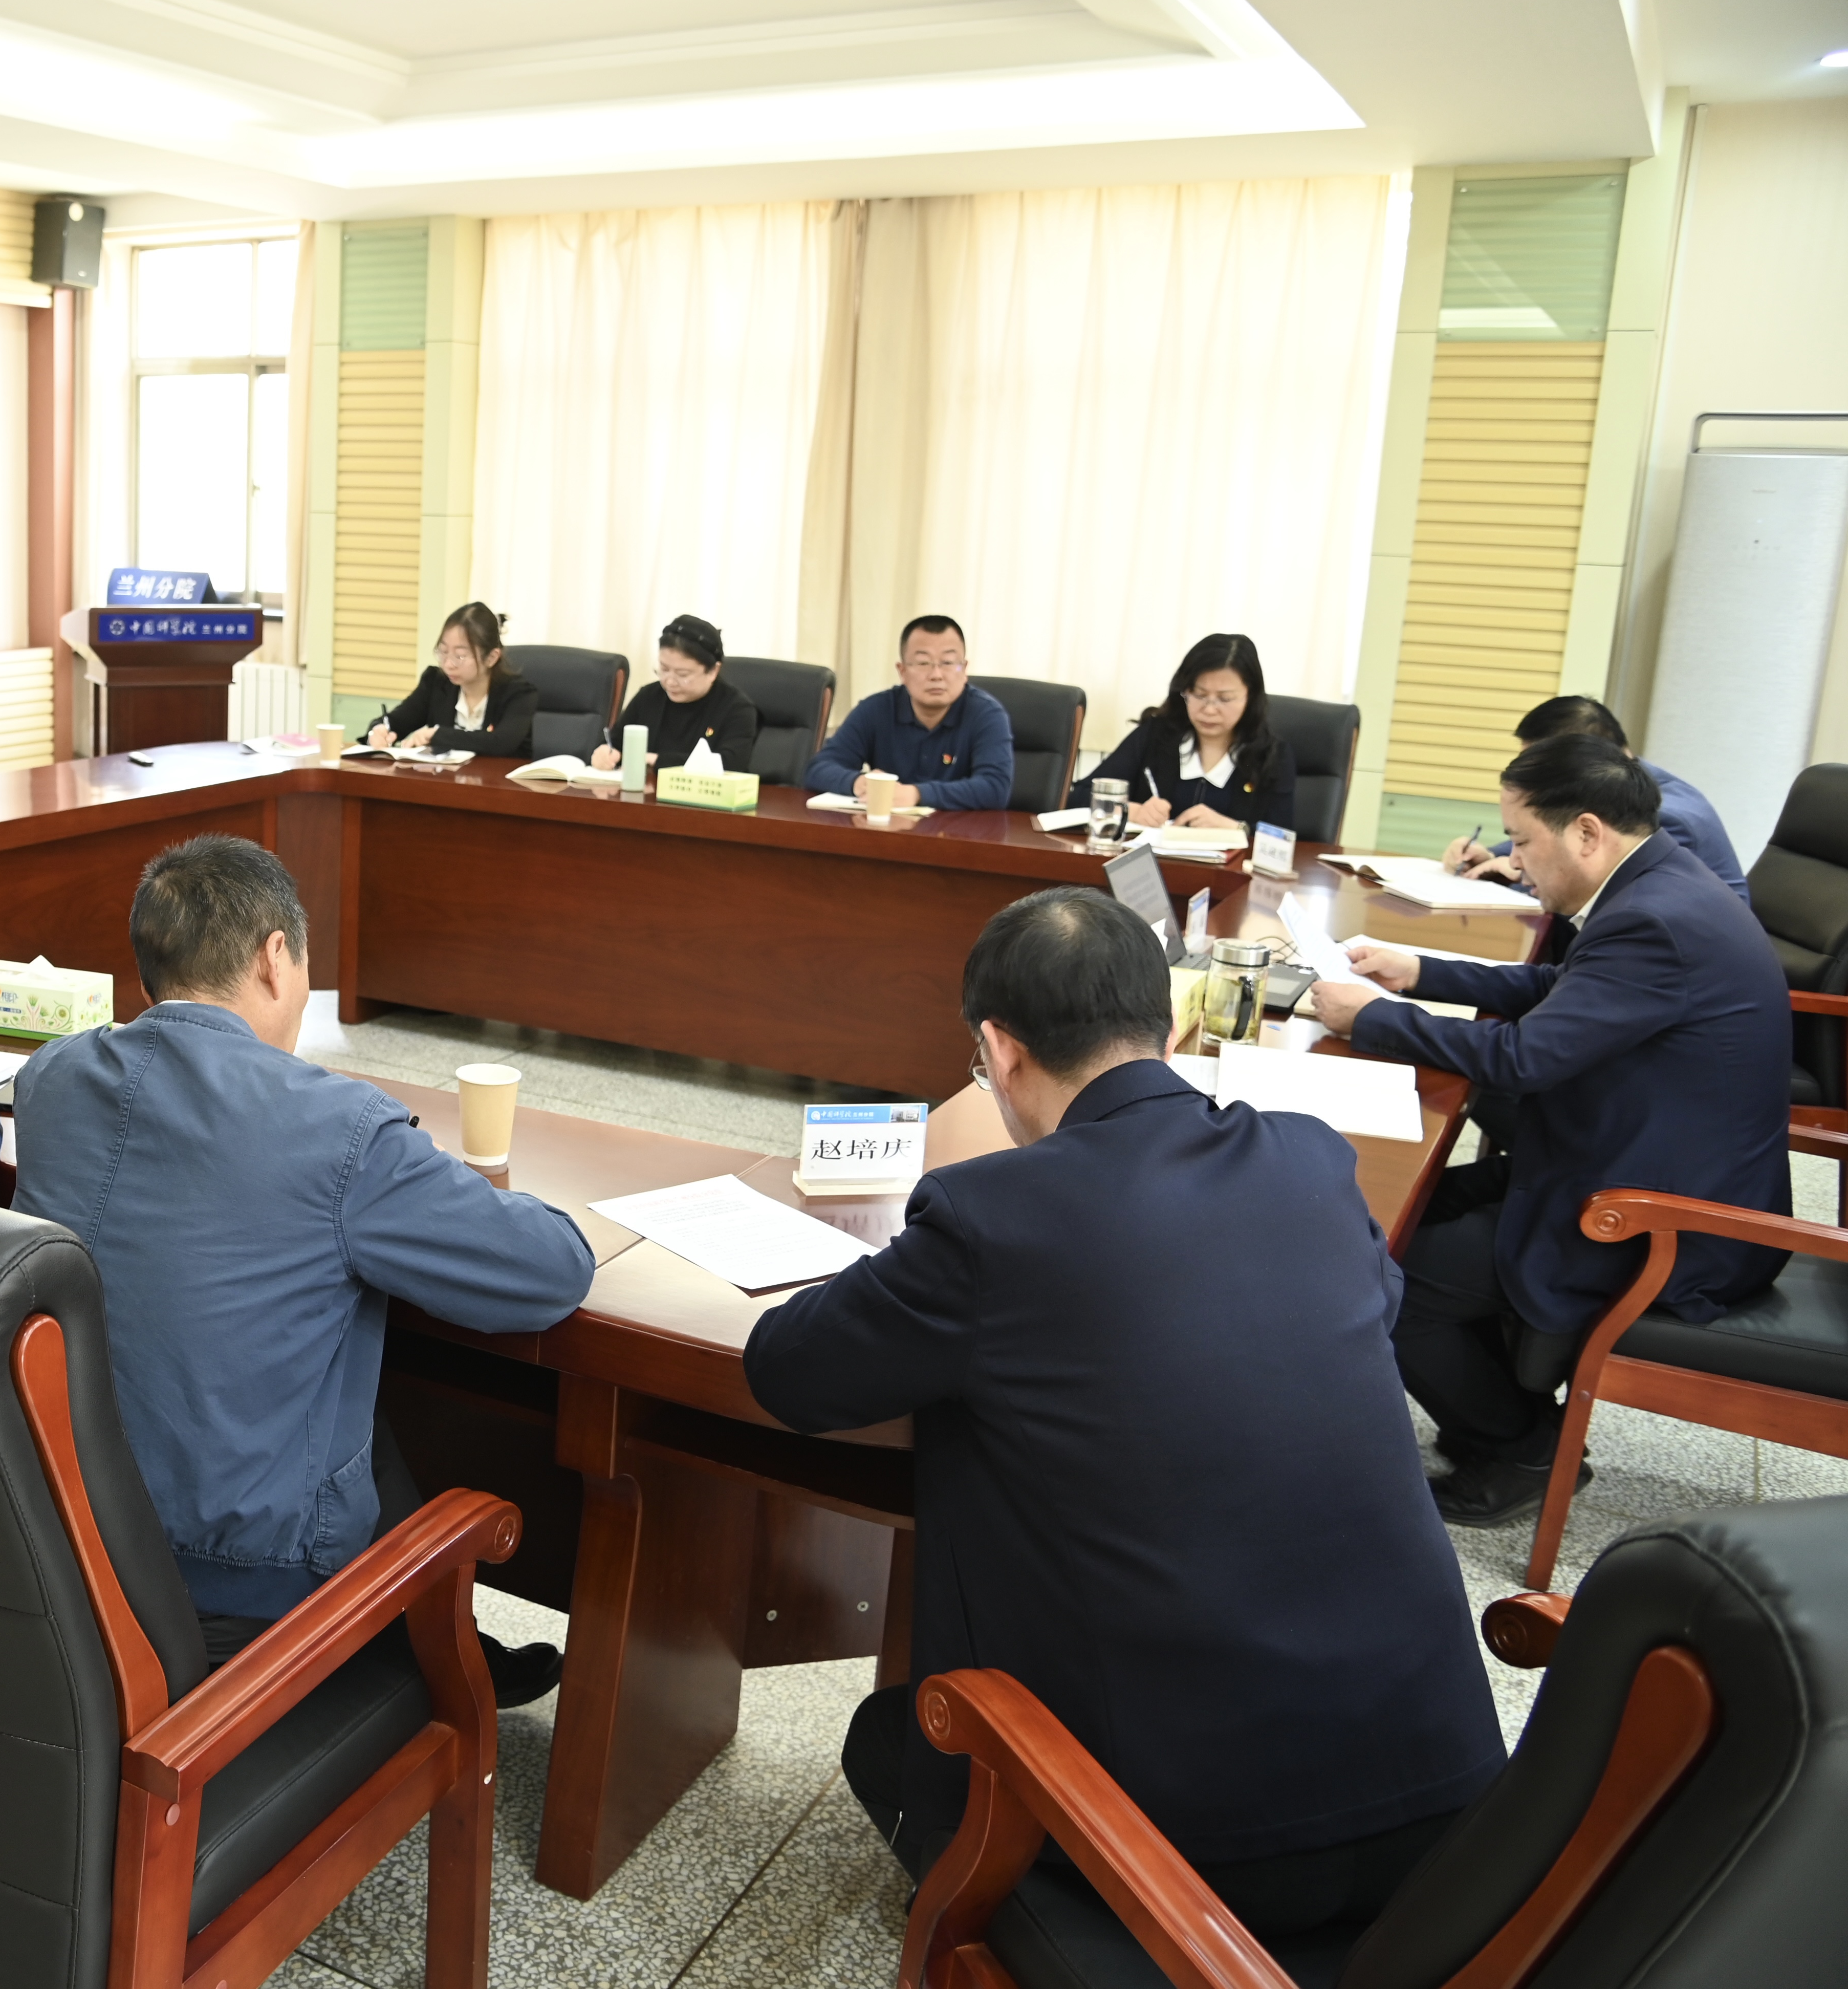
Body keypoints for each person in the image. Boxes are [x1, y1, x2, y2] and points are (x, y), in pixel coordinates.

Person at [747, 887, 1502, 1930]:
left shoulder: (991, 1214)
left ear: (999, 1049)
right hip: (1453, 1820)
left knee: (891, 1741)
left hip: (1194, 1863)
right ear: (1170, 1028)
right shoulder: (1312, 1157)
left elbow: (788, 1370)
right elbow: (1372, 1307)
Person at [10, 834, 593, 1697]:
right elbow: (553, 1271)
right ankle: (434, 1651)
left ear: (149, 971)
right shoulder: (337, 1127)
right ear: (275, 957)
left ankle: (446, 1639)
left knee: (352, 1408)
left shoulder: (50, 1078)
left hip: (61, 1534)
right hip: (240, 1587)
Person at [1315, 734, 1791, 1524]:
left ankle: (1522, 1449)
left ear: (1586, 833)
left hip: (1665, 1216)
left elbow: (1526, 1057)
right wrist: (1419, 971)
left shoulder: (1654, 920)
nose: (1516, 861)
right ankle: (1501, 1408)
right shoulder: (1657, 883)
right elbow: (1561, 987)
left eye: (1524, 841)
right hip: (1625, 1156)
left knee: (1385, 1271)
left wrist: (1374, 1019)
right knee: (1395, 1215)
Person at [1442, 695, 1749, 905]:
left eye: (1541, 769)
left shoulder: (1661, 817)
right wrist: (1488, 856)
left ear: (1585, 757)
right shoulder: (1623, 784)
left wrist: (1517, 875)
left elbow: (1594, 899)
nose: (1532, 781)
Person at [1078, 633, 1295, 830]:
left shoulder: (1273, 755)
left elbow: (1284, 837)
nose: (1209, 710)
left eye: (1225, 699)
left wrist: (1238, 829)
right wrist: (1130, 811)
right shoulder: (1155, 735)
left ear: (1251, 698)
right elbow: (1078, 796)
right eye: (1199, 695)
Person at [802, 615, 1014, 809]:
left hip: (959, 833)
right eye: (923, 663)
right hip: (888, 831)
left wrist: (917, 794)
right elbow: (819, 769)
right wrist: (858, 783)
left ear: (965, 669)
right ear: (902, 671)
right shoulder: (877, 709)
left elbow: (995, 788)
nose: (936, 675)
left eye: (948, 663)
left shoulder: (986, 715)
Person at [363, 602, 538, 756]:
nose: (448, 665)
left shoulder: (519, 694)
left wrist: (437, 735)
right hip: (444, 782)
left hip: (498, 783)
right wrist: (377, 731)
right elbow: (397, 721)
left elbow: (501, 743)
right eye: (443, 652)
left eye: (460, 656)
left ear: (491, 658)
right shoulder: (436, 683)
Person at [588, 615, 759, 772]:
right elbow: (615, 744)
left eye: (682, 675)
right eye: (664, 669)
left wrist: (655, 760)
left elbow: (730, 764)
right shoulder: (649, 696)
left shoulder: (737, 709)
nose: (670, 682)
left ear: (714, 671)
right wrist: (605, 754)